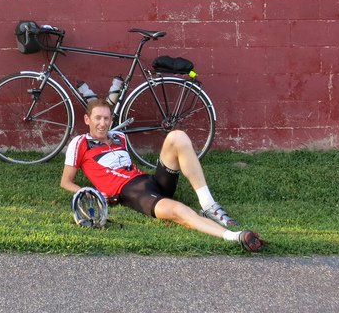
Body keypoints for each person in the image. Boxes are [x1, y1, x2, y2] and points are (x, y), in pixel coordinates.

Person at [60, 98, 264, 252]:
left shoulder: (119, 137)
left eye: (106, 118)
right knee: (179, 211)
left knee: (177, 136)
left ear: (111, 119)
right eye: (98, 118)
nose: (102, 123)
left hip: (149, 181)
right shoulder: (79, 143)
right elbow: (66, 182)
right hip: (131, 192)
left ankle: (208, 205)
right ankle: (234, 236)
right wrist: (90, 193)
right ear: (87, 119)